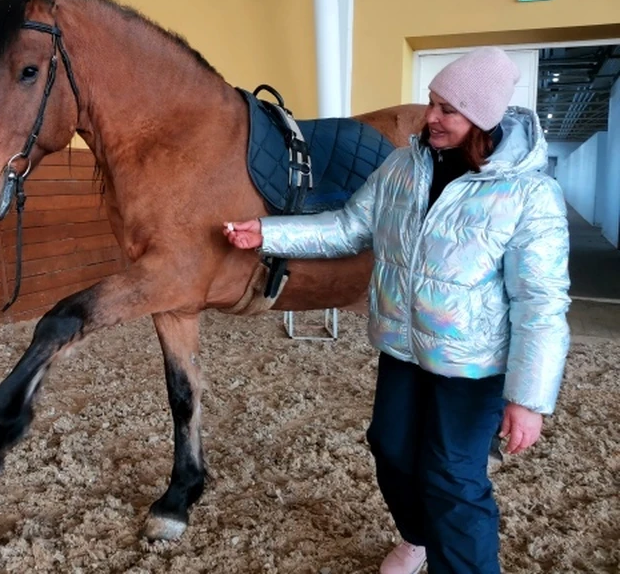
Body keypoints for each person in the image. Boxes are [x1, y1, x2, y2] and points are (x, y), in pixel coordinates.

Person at [224, 47, 570, 574]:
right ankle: (418, 538)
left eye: (447, 108)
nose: (430, 116)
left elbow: (541, 304)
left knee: (452, 477)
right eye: (433, 101)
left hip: (473, 363)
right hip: (403, 346)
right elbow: (349, 227)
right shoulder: (404, 165)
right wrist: (266, 233)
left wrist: (528, 398)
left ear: (483, 117)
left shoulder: (530, 195)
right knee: (389, 447)